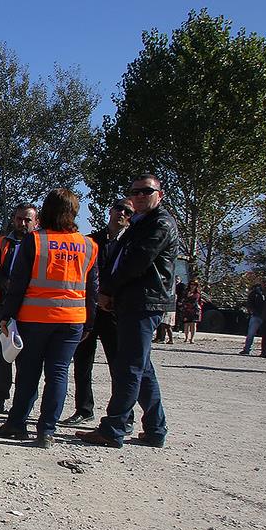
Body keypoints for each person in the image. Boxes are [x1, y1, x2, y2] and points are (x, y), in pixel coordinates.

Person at [0, 189, 98, 448]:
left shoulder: (36, 241)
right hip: (72, 320)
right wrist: (89, 323)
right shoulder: (88, 245)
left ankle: (17, 424)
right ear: (74, 212)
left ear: (45, 211)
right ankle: (47, 432)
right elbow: (92, 288)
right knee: (58, 373)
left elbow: (18, 283)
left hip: (35, 318)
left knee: (28, 373)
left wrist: (7, 315)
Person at [78, 175, 179, 449]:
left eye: (147, 191)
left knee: (129, 368)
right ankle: (155, 428)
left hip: (143, 302)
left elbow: (136, 262)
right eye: (135, 192)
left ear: (159, 194)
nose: (139, 196)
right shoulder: (141, 223)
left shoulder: (159, 224)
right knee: (142, 368)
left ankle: (113, 428)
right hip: (133, 301)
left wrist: (107, 291)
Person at [64, 199, 131, 426]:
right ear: (110, 211)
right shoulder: (91, 241)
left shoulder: (132, 243)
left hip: (114, 311)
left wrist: (111, 296)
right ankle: (84, 409)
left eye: (128, 211)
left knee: (118, 364)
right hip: (88, 310)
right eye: (119, 208)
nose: (122, 213)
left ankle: (123, 415)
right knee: (82, 362)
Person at [0, 204, 39, 414]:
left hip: (31, 306)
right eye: (19, 219)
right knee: (0, 353)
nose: (22, 223)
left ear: (36, 222)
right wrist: (11, 287)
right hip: (2, 304)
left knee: (28, 358)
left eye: (27, 220)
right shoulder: (0, 244)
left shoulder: (41, 245)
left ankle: (23, 404)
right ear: (13, 219)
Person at [239, 276, 266, 355]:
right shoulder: (255, 292)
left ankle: (265, 351)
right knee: (251, 333)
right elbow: (249, 303)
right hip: (256, 316)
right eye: (264, 282)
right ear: (261, 283)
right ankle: (247, 349)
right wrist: (253, 311)